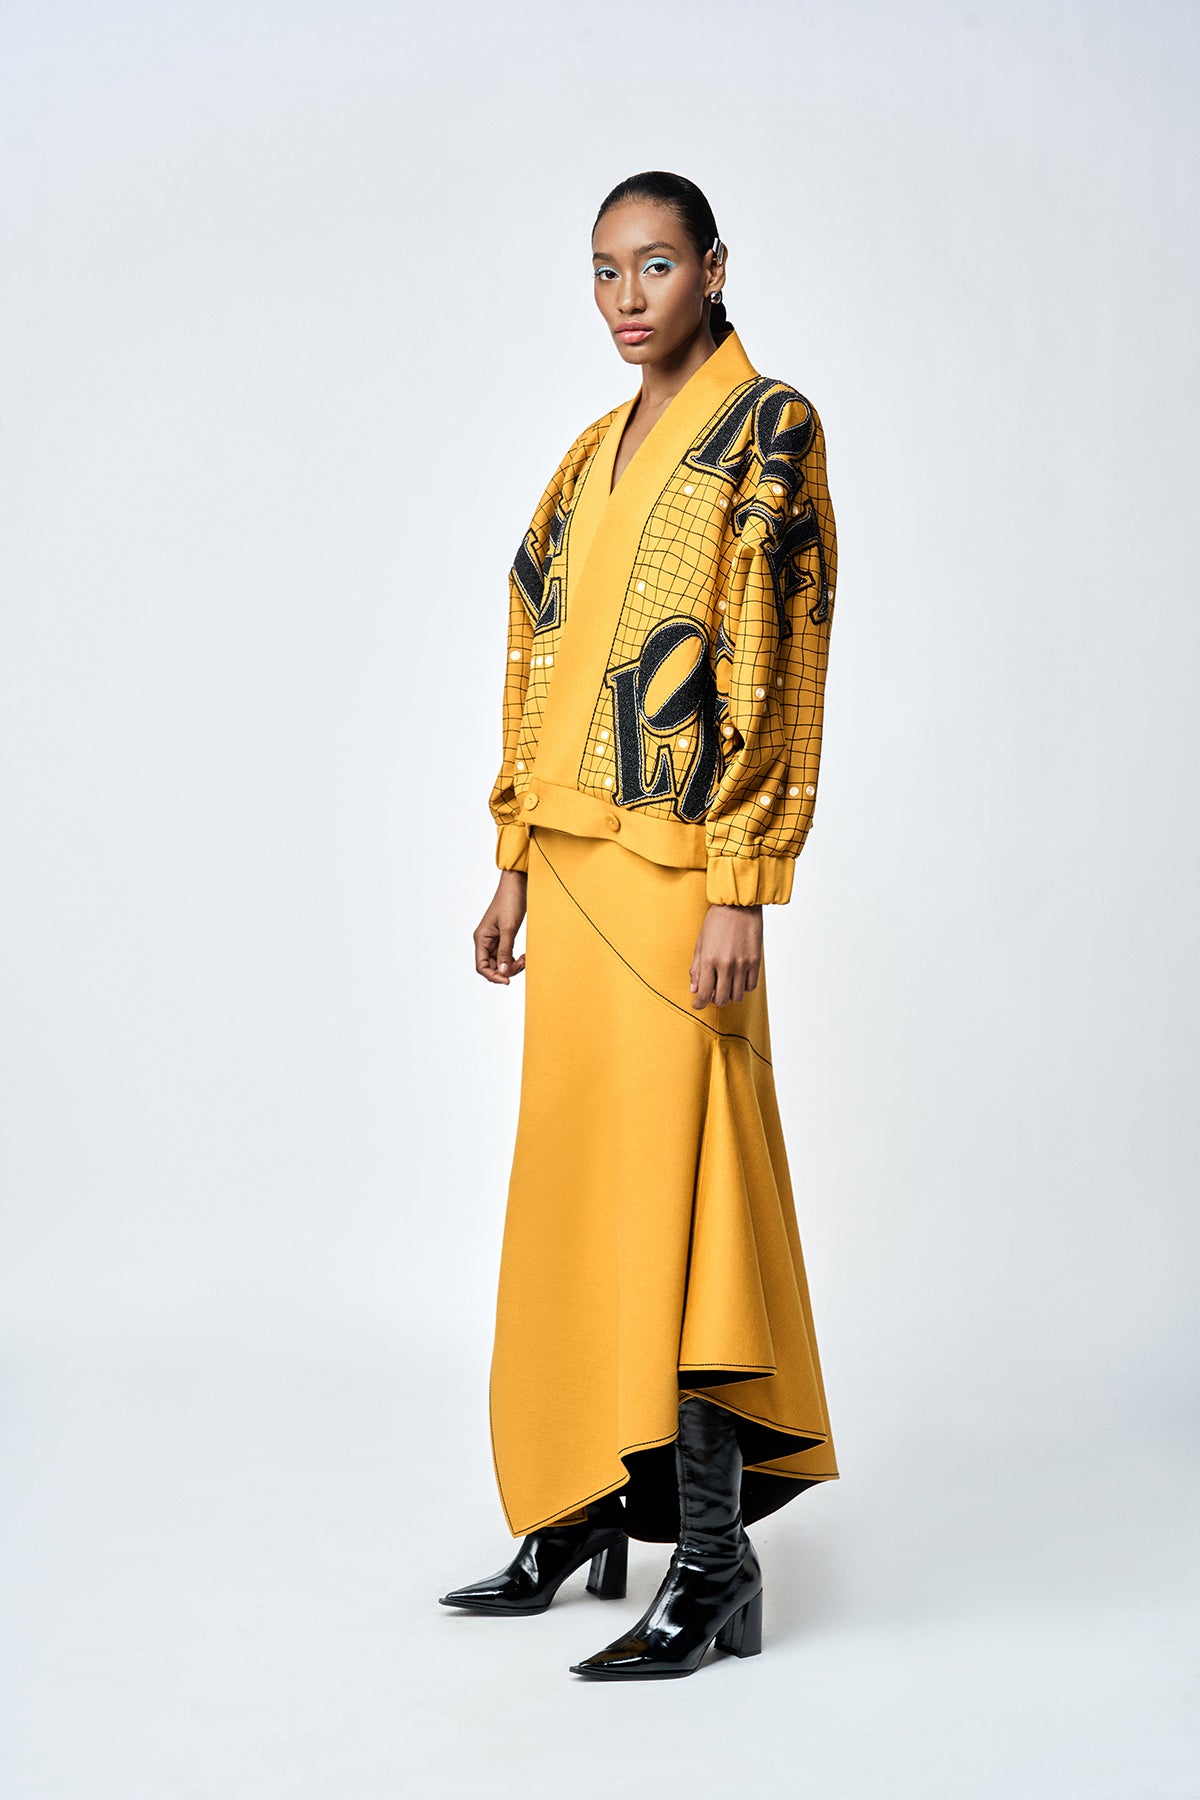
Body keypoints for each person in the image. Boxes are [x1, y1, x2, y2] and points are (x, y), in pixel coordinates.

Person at [439, 170, 840, 1680]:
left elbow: (779, 656)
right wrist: (513, 856)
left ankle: (715, 1565)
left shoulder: (771, 430)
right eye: (605, 269)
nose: (626, 297)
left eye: (656, 265)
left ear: (713, 268)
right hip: (574, 866)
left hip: (681, 876)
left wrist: (743, 879)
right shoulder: (587, 453)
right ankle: (574, 1506)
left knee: (686, 1200)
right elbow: (536, 647)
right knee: (573, 1188)